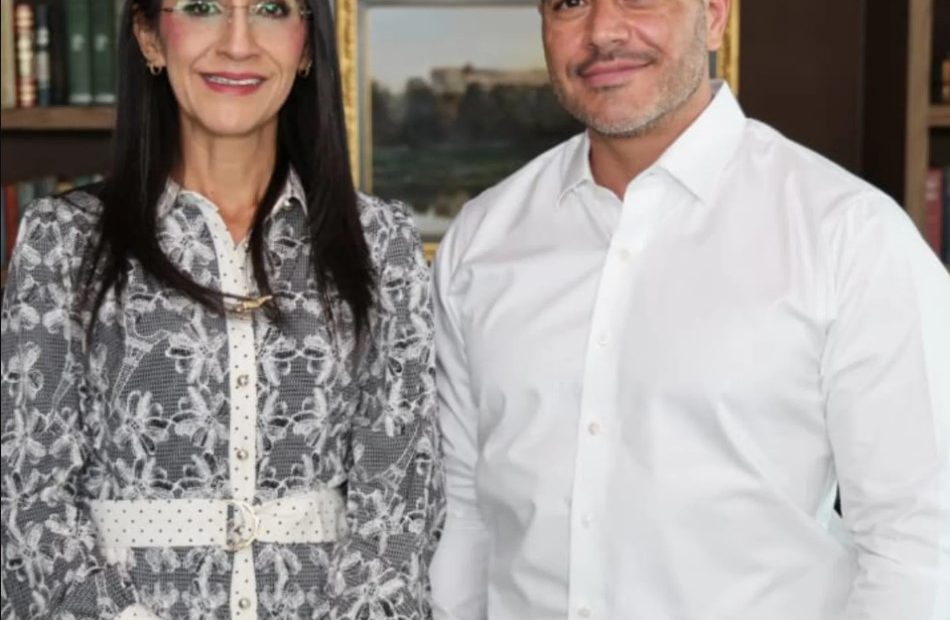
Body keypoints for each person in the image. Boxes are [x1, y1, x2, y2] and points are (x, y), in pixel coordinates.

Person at [430, 0, 950, 618]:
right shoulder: (480, 242)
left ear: (716, 15)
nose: (603, 30)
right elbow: (461, 515)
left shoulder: (849, 238)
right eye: (570, 2)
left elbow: (917, 545)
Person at [0, 0, 444, 618]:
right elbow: (28, 497)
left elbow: (401, 502)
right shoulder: (63, 240)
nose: (238, 43)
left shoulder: (381, 241)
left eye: (271, 8)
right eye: (203, 7)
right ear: (150, 37)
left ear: (307, 45)